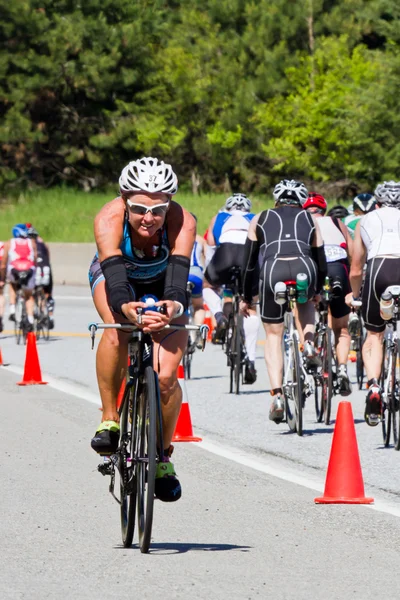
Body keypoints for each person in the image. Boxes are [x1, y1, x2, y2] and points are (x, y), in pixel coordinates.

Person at [88, 156, 196, 503]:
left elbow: (178, 278)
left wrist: (172, 307)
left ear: (169, 206)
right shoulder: (108, 218)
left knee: (166, 378)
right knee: (117, 328)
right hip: (117, 276)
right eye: (139, 209)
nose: (148, 218)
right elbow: (115, 277)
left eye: (157, 210)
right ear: (124, 202)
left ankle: (162, 455)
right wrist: (125, 308)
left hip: (165, 281)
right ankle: (109, 418)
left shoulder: (183, 221)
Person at [242, 180, 327, 423]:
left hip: (272, 270)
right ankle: (308, 344)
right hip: (304, 266)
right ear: (300, 201)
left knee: (273, 335)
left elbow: (248, 263)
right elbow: (320, 259)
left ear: (276, 199)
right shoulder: (310, 219)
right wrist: (318, 290)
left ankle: (277, 394)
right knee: (306, 302)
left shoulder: (259, 218)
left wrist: (246, 297)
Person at [346, 180, 400, 426]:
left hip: (378, 268)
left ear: (377, 203)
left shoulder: (366, 219)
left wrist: (356, 296)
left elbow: (356, 268)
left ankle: (374, 386)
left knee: (374, 336)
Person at [203, 193, 260, 384]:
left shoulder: (218, 217)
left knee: (206, 286)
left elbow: (211, 246)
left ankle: (219, 317)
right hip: (246, 256)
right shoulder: (255, 218)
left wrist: (212, 273)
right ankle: (251, 359)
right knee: (251, 305)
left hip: (224, 254)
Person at [303, 193, 353, 395]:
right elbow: (350, 250)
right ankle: (342, 369)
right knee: (342, 329)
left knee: (304, 311)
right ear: (323, 210)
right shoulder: (336, 221)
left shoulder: (302, 221)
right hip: (338, 268)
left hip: (314, 268)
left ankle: (308, 349)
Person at [0, 224, 37, 330]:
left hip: (14, 270)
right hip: (29, 269)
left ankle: (12, 309)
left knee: (12, 284)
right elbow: (34, 259)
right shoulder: (32, 242)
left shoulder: (9, 243)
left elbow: (3, 264)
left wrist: (3, 277)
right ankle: (30, 319)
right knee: (29, 296)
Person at [26, 225, 55, 329]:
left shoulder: (28, 244)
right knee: (47, 293)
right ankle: (49, 316)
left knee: (32, 294)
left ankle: (36, 314)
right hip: (46, 268)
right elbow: (48, 257)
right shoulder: (43, 243)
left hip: (35, 270)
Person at [188, 213, 206, 336]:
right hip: (196, 273)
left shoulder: (175, 237)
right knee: (198, 305)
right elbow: (206, 261)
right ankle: (198, 330)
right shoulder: (200, 239)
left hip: (180, 272)